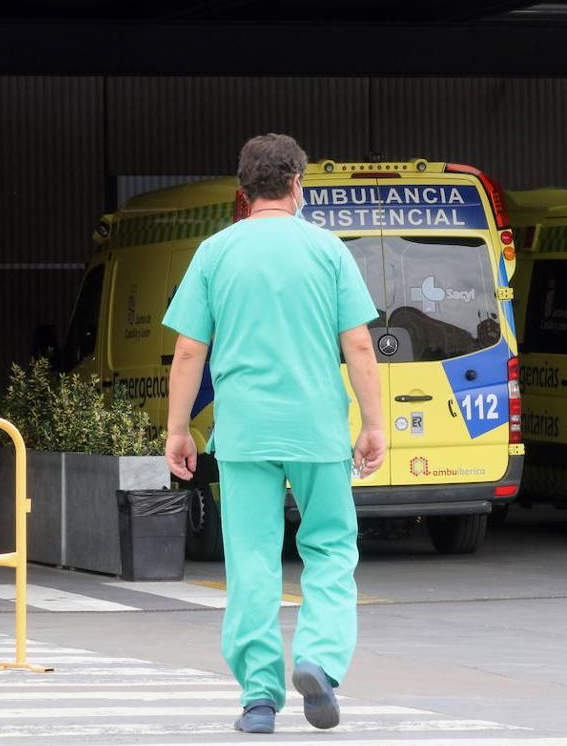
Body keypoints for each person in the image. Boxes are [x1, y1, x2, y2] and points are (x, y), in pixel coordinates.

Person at [162, 133, 386, 734]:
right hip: (316, 428)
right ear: (296, 184)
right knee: (331, 550)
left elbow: (188, 351)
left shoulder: (215, 252)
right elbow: (359, 343)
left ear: (243, 192)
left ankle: (259, 700)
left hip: (243, 434)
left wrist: (177, 430)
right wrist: (373, 423)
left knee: (253, 563)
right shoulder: (328, 251)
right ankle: (318, 657)